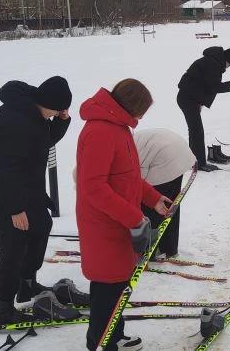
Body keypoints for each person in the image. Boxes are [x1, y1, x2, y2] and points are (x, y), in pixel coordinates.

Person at [0, 76, 82, 325]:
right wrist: (15, 209)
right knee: (14, 247)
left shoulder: (33, 112)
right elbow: (4, 169)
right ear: (50, 104)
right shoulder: (14, 122)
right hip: (0, 197)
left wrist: (62, 122)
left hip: (24, 191)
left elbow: (42, 140)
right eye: (58, 111)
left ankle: (27, 284)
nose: (58, 114)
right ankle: (3, 309)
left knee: (41, 225)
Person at [76, 78, 173, 351]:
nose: (141, 117)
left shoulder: (119, 127)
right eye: (142, 110)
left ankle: (114, 335)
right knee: (107, 288)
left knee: (117, 286)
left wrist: (153, 199)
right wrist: (134, 218)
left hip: (120, 222)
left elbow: (127, 177)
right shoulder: (100, 131)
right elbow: (93, 187)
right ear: (132, 106)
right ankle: (100, 343)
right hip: (103, 226)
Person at [176, 46, 230, 171]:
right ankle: (200, 163)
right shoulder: (213, 65)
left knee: (195, 130)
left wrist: (200, 102)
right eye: (229, 65)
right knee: (197, 131)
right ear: (226, 60)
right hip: (187, 99)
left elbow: (202, 84)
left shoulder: (211, 61)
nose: (227, 67)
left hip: (190, 98)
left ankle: (194, 160)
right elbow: (214, 87)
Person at [133, 129, 196, 258]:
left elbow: (136, 182)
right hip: (179, 151)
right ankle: (169, 248)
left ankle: (147, 252)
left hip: (165, 157)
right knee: (170, 203)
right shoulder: (125, 142)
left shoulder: (120, 154)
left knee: (153, 206)